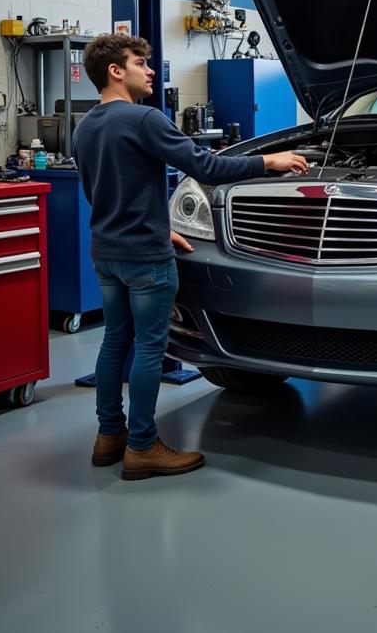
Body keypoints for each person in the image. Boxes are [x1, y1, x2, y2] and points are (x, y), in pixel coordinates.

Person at [73, 34, 308, 480]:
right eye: (141, 63)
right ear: (115, 71)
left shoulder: (84, 126)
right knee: (148, 348)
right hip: (145, 257)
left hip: (107, 253)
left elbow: (102, 194)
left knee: (113, 343)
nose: (150, 71)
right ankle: (142, 447)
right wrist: (269, 163)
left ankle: (109, 437)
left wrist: (162, 226)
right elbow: (208, 167)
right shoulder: (144, 119)